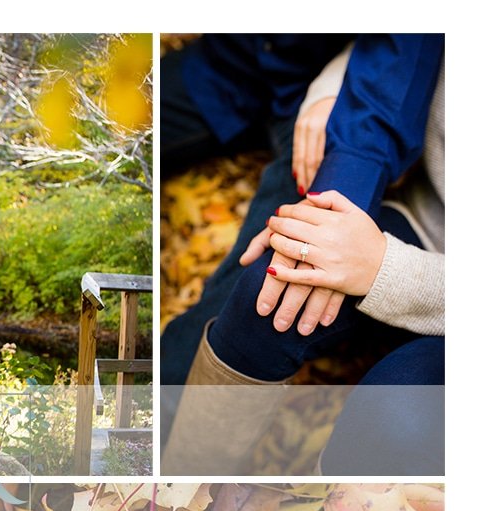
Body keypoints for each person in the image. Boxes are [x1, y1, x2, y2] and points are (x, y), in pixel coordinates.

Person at [160, 35, 444, 474]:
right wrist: (333, 87)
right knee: (273, 285)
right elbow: (402, 45)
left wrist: (386, 270)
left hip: (433, 278)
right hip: (425, 220)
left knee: (396, 416)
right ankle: (184, 482)